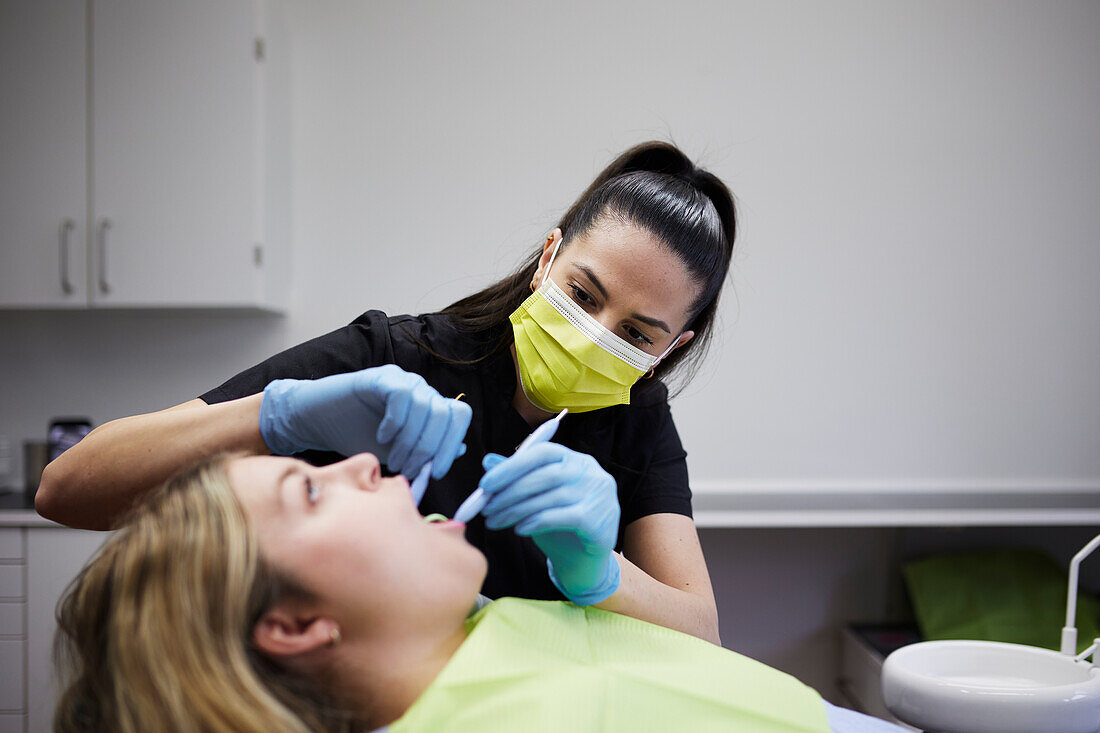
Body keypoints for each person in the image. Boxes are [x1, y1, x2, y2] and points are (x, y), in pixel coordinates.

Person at [38, 141, 736, 642]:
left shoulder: (638, 419)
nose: (591, 334)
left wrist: (598, 572)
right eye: (582, 293)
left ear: (670, 348)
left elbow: (698, 626)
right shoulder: (393, 360)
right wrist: (280, 415)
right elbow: (66, 489)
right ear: (548, 258)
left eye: (637, 334)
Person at [54, 452, 906, 732]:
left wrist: (603, 575)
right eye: (309, 491)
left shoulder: (481, 625)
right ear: (298, 621)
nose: (358, 462)